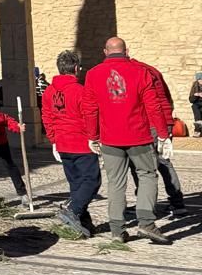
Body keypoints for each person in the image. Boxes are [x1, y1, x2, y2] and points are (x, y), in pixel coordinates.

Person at [81, 36, 172, 245]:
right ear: (126, 51)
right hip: (139, 136)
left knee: (115, 182)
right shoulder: (141, 72)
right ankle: (146, 224)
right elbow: (153, 106)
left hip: (110, 138)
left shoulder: (93, 74)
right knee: (147, 175)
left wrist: (92, 136)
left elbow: (90, 109)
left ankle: (117, 230)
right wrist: (163, 134)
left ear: (105, 52)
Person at [41, 49, 99, 237]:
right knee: (91, 180)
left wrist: (53, 140)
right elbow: (89, 116)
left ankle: (84, 222)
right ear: (76, 68)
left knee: (76, 184)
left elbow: (47, 117)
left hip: (62, 143)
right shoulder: (80, 91)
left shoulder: (49, 91)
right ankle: (73, 209)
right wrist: (94, 137)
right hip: (80, 142)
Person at [143, 61, 186, 213]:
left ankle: (147, 205)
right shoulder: (152, 70)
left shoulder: (138, 71)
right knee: (163, 162)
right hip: (164, 120)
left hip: (153, 122)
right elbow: (167, 97)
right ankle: (177, 202)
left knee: (145, 165)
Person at [190, 75, 202, 139]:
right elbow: (191, 100)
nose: (201, 81)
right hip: (197, 104)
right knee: (195, 107)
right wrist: (195, 95)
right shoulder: (194, 87)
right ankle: (197, 130)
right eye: (199, 79)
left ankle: (197, 130)